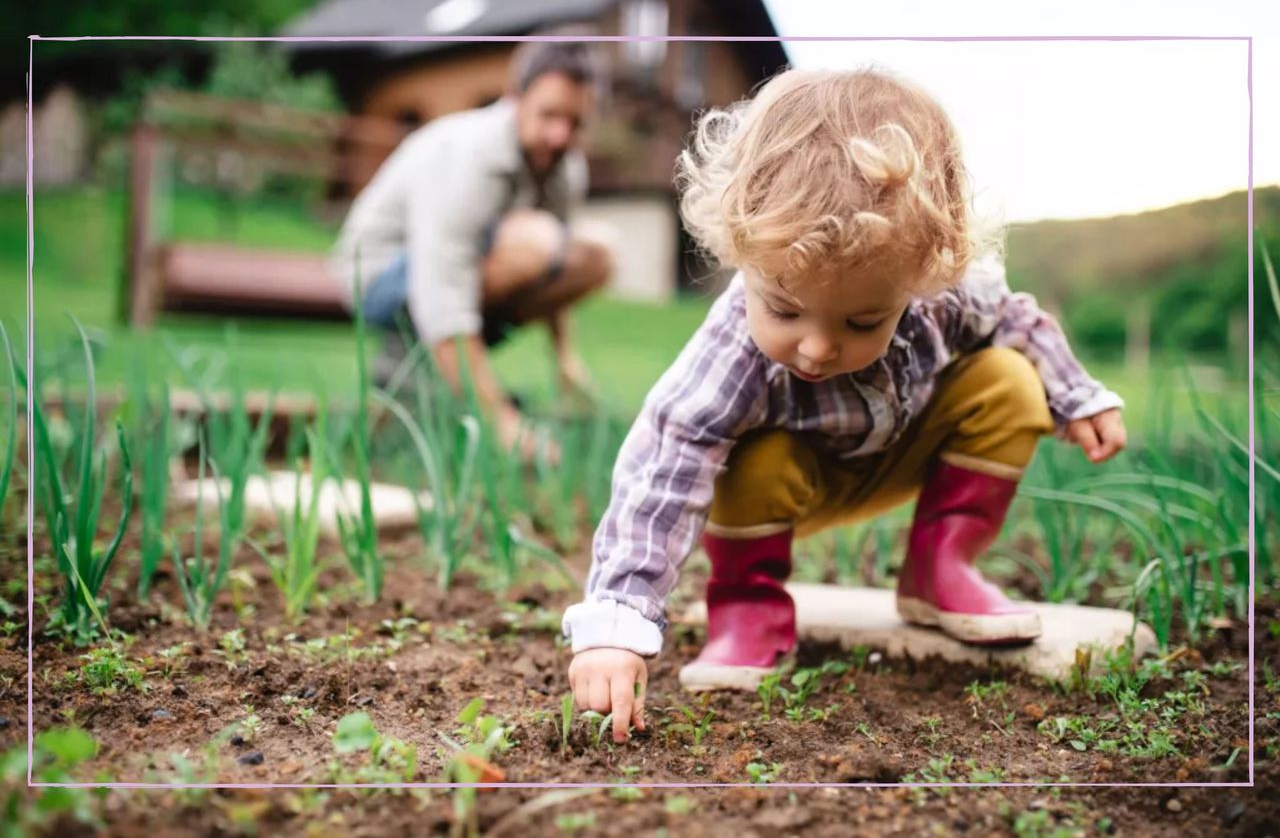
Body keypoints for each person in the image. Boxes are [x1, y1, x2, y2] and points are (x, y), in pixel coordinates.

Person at [561, 68, 1128, 743]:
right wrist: (617, 622)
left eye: (863, 321)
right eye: (785, 308)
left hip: (900, 451)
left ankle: (940, 567)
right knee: (740, 452)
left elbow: (1019, 320)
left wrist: (1076, 394)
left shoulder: (941, 292)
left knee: (1008, 377)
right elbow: (664, 462)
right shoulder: (732, 347)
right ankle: (747, 605)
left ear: (919, 276)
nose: (817, 347)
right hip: (787, 487)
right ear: (743, 255)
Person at [329, 38, 614, 460]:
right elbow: (442, 287)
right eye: (549, 115)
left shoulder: (564, 166)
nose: (560, 135)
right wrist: (501, 421)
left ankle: (440, 375)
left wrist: (564, 360)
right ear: (514, 98)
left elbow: (556, 264)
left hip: (458, 272)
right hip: (378, 276)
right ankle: (414, 370)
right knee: (535, 239)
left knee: (595, 258)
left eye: (575, 122)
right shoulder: (467, 155)